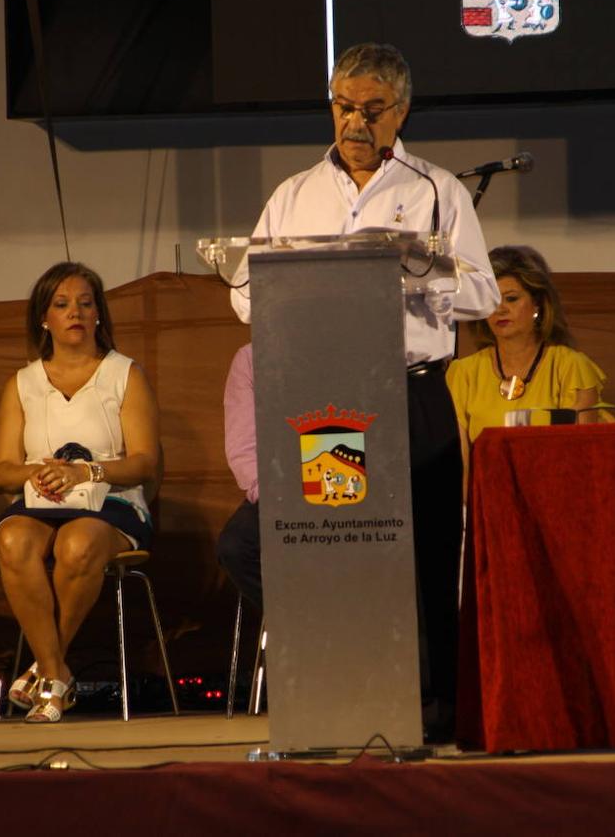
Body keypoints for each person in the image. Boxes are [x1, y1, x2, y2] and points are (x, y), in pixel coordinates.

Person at [228, 43, 499, 742]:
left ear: (400, 112)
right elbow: (244, 296)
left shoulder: (437, 189)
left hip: (411, 395)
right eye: (344, 106)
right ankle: (343, 700)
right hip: (330, 402)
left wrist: (413, 272)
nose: (355, 122)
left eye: (371, 109)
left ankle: (436, 712)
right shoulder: (293, 194)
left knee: (426, 554)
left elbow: (482, 293)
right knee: (337, 548)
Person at [0, 262, 160, 723]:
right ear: (43, 318)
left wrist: (88, 472)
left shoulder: (125, 374)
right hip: (40, 501)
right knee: (13, 539)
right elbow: (2, 472)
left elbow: (146, 462)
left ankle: (45, 676)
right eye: (61, 305)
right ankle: (56, 673)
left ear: (100, 313)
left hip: (112, 502)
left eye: (85, 303)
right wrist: (38, 473)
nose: (75, 313)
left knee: (77, 543)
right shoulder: (22, 383)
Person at [447, 245, 607, 489]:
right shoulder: (463, 373)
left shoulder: (571, 367)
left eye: (511, 299)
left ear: (537, 304)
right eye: (493, 300)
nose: (500, 309)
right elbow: (461, 464)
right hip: (488, 500)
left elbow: (581, 459)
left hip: (555, 498)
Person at [217, 343, 261, 612]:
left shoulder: (357, 343)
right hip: (281, 489)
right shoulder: (251, 357)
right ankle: (301, 625)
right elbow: (243, 447)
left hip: (358, 483)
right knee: (235, 548)